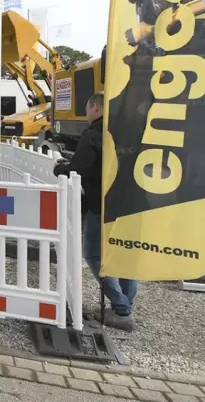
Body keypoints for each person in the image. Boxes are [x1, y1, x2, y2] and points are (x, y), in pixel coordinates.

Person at [53, 92, 137, 331]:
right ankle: (126, 304)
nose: (86, 113)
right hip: (130, 204)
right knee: (125, 256)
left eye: (87, 108)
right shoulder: (128, 131)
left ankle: (121, 307)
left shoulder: (93, 134)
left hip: (101, 205)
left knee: (93, 255)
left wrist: (59, 169)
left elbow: (79, 169)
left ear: (96, 107)